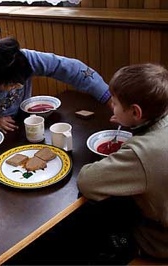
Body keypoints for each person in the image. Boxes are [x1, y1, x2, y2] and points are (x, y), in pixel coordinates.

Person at [77, 63, 168, 259]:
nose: (112, 107)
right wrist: (132, 122)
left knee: (94, 221)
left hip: (158, 243)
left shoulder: (142, 153)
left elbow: (87, 182)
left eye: (115, 104)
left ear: (136, 112)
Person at [0, 37, 111, 133]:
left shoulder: (21, 58)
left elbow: (70, 68)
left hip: (24, 122)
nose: (20, 87)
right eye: (12, 85)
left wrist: (107, 97)